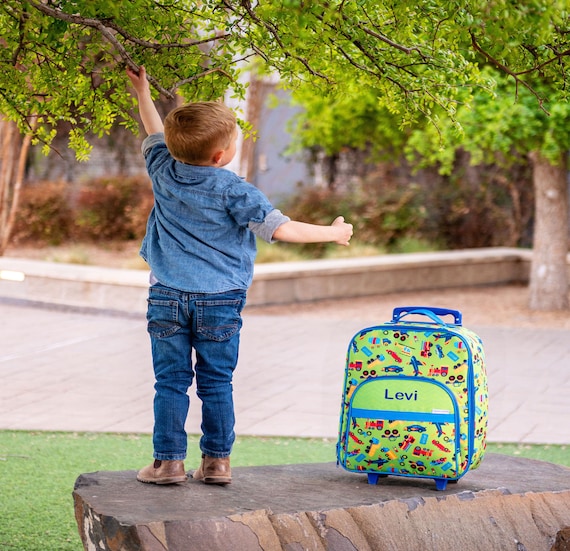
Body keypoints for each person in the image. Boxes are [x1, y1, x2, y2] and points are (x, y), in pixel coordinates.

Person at [126, 66, 353, 486]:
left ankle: (167, 464)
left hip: (166, 296)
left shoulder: (162, 167)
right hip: (220, 299)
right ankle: (216, 463)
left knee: (170, 382)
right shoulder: (236, 191)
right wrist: (334, 233)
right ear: (221, 155)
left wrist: (142, 89)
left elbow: (154, 128)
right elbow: (281, 229)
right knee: (216, 382)